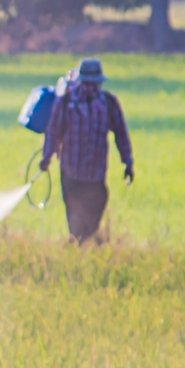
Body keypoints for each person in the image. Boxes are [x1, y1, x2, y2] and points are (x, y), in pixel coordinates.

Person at [41, 58, 134, 243]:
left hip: (96, 173)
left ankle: (82, 244)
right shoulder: (65, 102)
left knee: (96, 207)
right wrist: (46, 156)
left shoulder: (109, 103)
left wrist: (128, 161)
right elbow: (53, 131)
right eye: (88, 84)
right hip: (71, 172)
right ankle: (78, 245)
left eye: (95, 83)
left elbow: (121, 134)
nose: (91, 88)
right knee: (76, 217)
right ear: (81, 82)